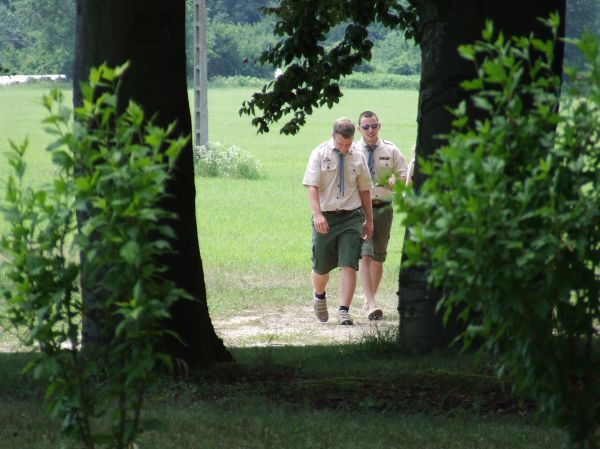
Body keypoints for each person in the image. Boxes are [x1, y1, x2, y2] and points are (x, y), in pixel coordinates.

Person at [302, 117, 373, 325]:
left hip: (351, 216)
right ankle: (319, 295)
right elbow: (312, 186)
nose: (344, 148)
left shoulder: (357, 156)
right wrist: (317, 214)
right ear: (333, 136)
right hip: (326, 215)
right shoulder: (319, 153)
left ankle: (344, 311)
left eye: (348, 144)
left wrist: (369, 220)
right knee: (321, 267)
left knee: (349, 264)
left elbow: (365, 191)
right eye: (341, 143)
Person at [355, 111, 408, 320]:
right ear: (359, 129)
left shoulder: (391, 149)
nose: (370, 130)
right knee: (364, 254)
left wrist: (397, 180)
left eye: (374, 125)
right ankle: (371, 303)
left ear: (379, 126)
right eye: (366, 127)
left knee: (378, 257)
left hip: (384, 206)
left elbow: (405, 173)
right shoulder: (353, 150)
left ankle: (370, 299)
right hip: (360, 209)